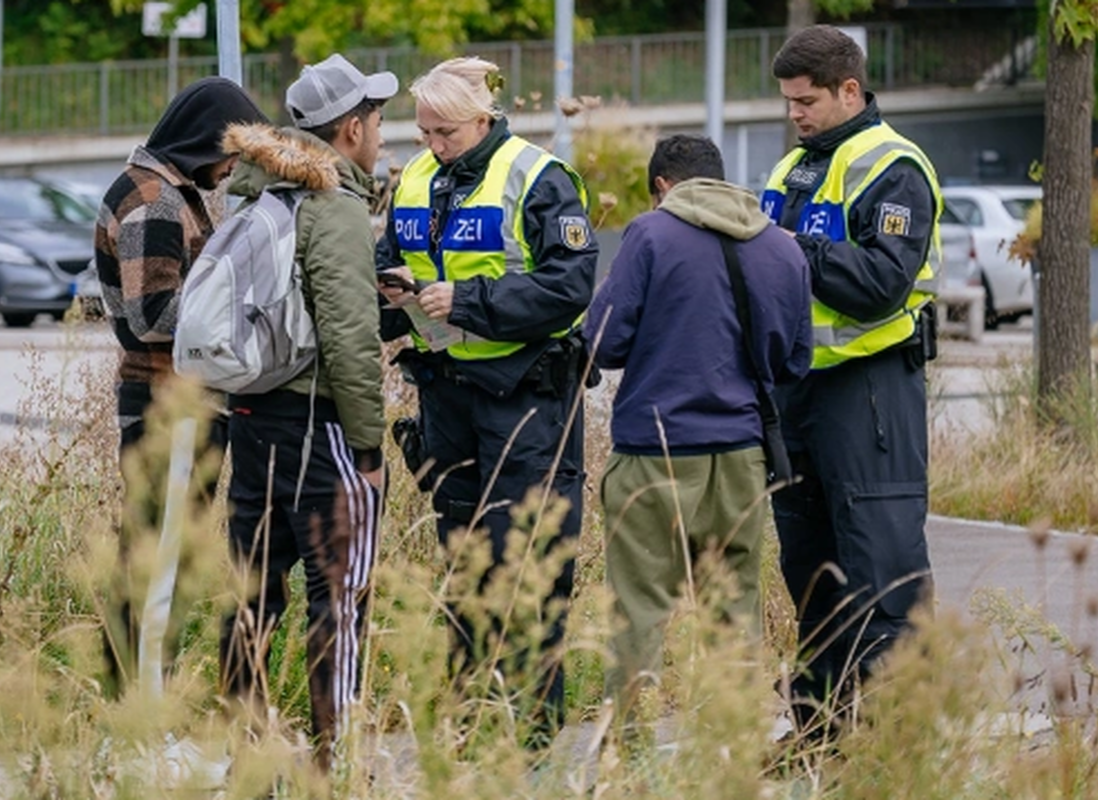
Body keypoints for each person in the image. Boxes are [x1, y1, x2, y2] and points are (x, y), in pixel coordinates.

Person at [375, 56, 598, 750]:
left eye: (445, 132)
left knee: (527, 557)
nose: (433, 144)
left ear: (482, 118)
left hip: (526, 397)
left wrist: (467, 301)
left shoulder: (540, 179)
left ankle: (530, 727)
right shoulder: (415, 177)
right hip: (447, 393)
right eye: (424, 132)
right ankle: (474, 711)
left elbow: (570, 287)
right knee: (464, 555)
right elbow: (391, 254)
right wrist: (392, 296)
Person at [585, 134, 812, 725]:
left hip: (655, 454)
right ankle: (728, 750)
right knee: (733, 612)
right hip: (741, 458)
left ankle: (628, 759)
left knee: (637, 613)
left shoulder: (651, 234)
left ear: (663, 185)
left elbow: (602, 343)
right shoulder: (782, 248)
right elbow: (795, 360)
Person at [759, 25, 942, 735]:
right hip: (797, 394)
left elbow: (880, 285)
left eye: (806, 102)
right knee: (812, 575)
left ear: (849, 91)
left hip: (870, 395)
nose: (795, 115)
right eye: (787, 104)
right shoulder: (790, 171)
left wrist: (791, 247)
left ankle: (902, 741)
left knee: (882, 569)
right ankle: (820, 732)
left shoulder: (894, 167)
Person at [217, 53, 394, 771]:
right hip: (317, 423)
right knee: (340, 596)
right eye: (378, 118)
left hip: (251, 418)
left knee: (252, 593)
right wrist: (371, 448)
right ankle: (334, 757)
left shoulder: (255, 196)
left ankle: (245, 749)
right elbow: (350, 340)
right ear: (351, 129)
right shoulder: (335, 206)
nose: (382, 130)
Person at [94, 76, 269, 695]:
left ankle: (135, 700)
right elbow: (153, 315)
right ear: (204, 142)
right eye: (230, 156)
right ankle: (138, 708)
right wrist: (243, 316)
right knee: (158, 556)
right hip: (165, 401)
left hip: (175, 399)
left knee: (161, 551)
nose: (229, 171)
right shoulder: (154, 201)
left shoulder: (170, 191)